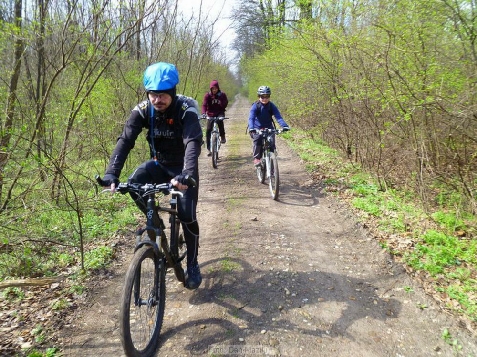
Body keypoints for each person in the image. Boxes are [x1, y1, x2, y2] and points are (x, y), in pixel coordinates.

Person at [100, 62, 203, 290]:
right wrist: (111, 173)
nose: (158, 100)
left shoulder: (186, 109)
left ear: (173, 92)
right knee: (135, 183)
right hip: (158, 165)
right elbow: (126, 140)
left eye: (163, 95)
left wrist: (186, 174)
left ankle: (193, 263)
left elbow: (192, 142)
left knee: (186, 214)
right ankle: (156, 224)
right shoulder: (143, 109)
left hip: (183, 168)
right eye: (153, 94)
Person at [248, 85, 290, 166]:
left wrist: (284, 126)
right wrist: (251, 128)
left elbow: (278, 117)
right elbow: (251, 118)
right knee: (258, 140)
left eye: (267, 96)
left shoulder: (271, 106)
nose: (265, 98)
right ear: (258, 96)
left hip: (269, 127)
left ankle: (272, 163)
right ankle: (257, 158)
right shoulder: (256, 106)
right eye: (262, 96)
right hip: (257, 128)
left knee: (271, 144)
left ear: (269, 96)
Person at [201, 80, 229, 156]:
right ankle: (209, 149)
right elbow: (204, 105)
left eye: (215, 88)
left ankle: (222, 136)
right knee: (208, 130)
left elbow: (225, 103)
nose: (214, 90)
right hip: (210, 114)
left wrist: (221, 101)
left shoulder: (222, 95)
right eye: (212, 88)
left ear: (218, 88)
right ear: (210, 89)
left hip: (219, 112)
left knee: (220, 122)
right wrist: (203, 113)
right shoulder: (208, 95)